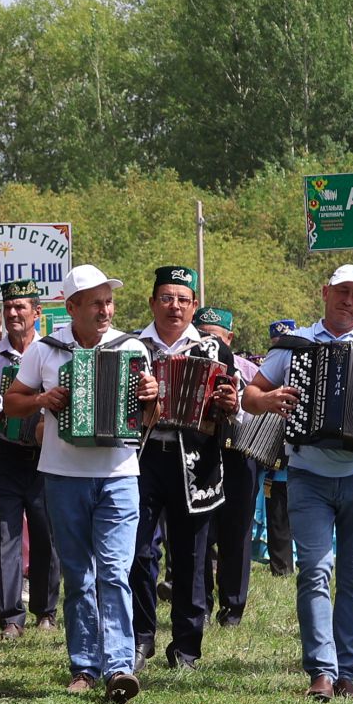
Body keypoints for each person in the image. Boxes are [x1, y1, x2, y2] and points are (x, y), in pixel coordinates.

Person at [0, 265, 157, 703]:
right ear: (71, 308)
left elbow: (148, 419)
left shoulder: (132, 348)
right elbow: (11, 403)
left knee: (114, 571)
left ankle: (120, 666)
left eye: (108, 301)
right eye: (96, 303)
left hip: (119, 474)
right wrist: (41, 400)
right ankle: (84, 666)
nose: (105, 310)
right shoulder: (45, 351)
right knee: (78, 574)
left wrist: (151, 397)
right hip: (63, 475)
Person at [243, 265, 353, 700]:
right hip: (307, 473)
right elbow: (251, 393)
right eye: (341, 291)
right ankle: (322, 671)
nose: (348, 300)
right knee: (315, 570)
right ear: (325, 293)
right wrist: (266, 399)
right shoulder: (294, 345)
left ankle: (348, 671)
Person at [133, 266, 238, 670]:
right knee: (139, 553)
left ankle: (186, 647)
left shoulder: (215, 349)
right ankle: (141, 638)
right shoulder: (133, 346)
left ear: (194, 305)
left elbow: (232, 406)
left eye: (182, 299)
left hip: (196, 462)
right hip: (141, 461)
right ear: (152, 302)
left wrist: (230, 404)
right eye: (166, 297)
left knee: (192, 556)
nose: (174, 306)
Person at [0, 278, 61, 642]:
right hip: (3, 456)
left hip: (47, 456)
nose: (13, 314)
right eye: (8, 308)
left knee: (47, 532)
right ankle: (10, 618)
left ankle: (46, 610)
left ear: (37, 313)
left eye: (21, 308)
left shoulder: (52, 352)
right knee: (5, 536)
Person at [195, 306, 257, 627]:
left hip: (239, 455)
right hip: (200, 453)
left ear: (229, 338)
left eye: (215, 337)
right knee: (199, 533)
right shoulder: (187, 362)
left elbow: (257, 413)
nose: (209, 342)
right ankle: (200, 604)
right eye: (202, 335)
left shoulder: (248, 369)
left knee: (237, 532)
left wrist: (236, 403)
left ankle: (232, 609)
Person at [261, 318, 297, 578]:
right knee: (276, 516)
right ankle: (281, 567)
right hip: (273, 463)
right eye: (277, 344)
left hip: (300, 461)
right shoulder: (266, 373)